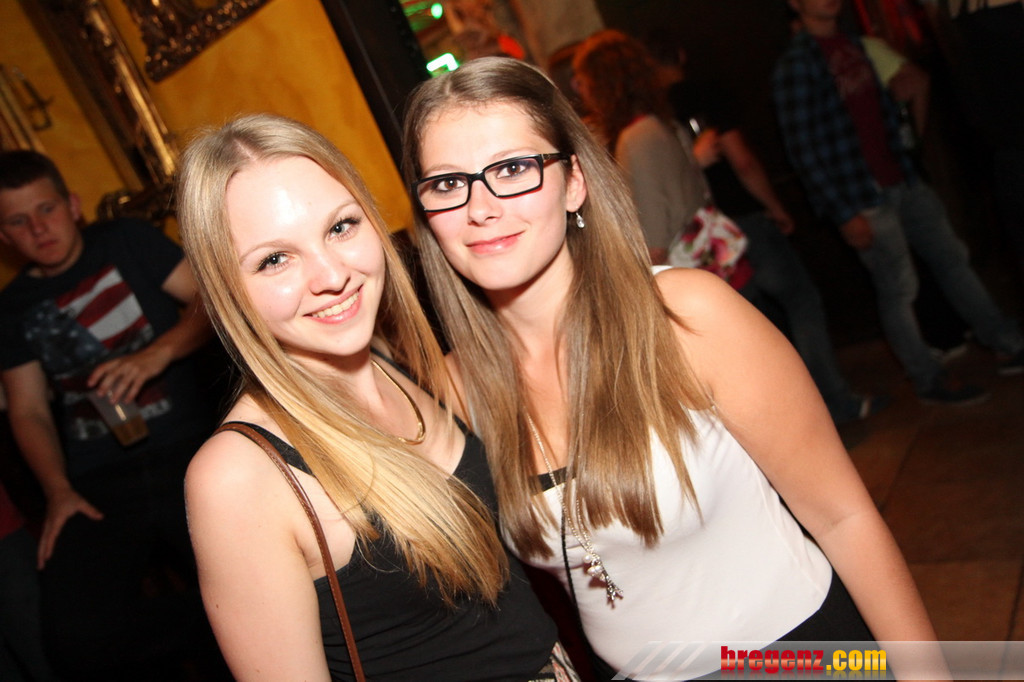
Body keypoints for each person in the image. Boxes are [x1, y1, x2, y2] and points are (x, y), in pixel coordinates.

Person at [402, 56, 942, 681]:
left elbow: (844, 518)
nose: (481, 207)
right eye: (448, 183)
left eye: (514, 168)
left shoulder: (686, 316)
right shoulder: (454, 390)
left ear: (573, 181)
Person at [175, 113, 577, 681]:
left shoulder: (403, 367)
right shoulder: (237, 477)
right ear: (226, 291)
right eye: (274, 259)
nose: (331, 275)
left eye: (340, 227)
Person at [573, 29, 884, 425]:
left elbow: (652, 228)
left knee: (745, 377)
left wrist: (642, 284)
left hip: (690, 272)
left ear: (605, 82)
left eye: (584, 80)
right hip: (715, 263)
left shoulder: (637, 137)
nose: (580, 89)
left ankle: (807, 425)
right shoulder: (660, 124)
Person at [0, 150, 220, 678]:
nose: (39, 229)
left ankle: (233, 623)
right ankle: (217, 622)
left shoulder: (127, 240)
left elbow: (211, 303)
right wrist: (57, 491)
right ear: (4, 236)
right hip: (98, 480)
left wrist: (157, 354)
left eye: (47, 209)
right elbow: (27, 410)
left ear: (72, 206)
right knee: (76, 641)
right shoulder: (11, 307)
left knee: (245, 573)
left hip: (191, 453)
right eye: (19, 221)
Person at [774, 0, 1024, 404]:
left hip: (902, 179)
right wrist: (843, 212)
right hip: (862, 195)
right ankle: (928, 378)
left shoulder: (853, 43)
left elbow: (884, 110)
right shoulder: (796, 65)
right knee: (898, 289)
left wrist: (909, 155)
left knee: (953, 259)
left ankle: (1006, 342)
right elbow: (803, 150)